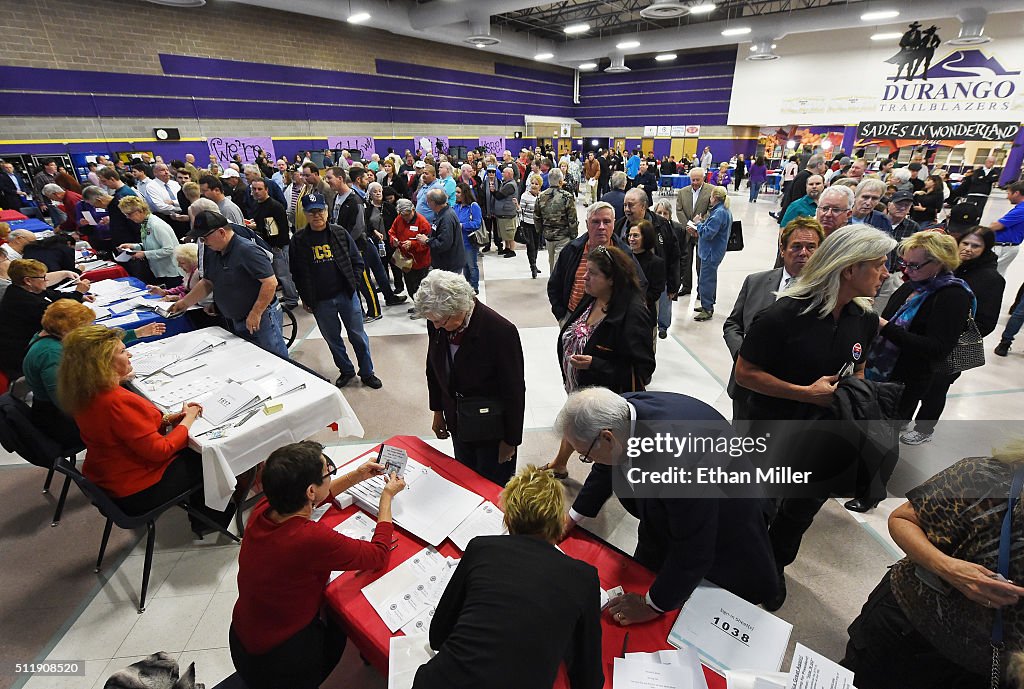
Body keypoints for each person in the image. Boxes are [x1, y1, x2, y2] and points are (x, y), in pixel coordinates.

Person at [734, 226, 896, 608]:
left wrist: (853, 398)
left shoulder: (864, 318)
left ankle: (775, 564)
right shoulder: (781, 316)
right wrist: (804, 394)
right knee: (759, 505)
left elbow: (857, 367)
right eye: (878, 265)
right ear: (848, 269)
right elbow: (746, 374)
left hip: (825, 437)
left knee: (802, 510)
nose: (886, 273)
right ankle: (746, 562)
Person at [559, 387, 779, 622]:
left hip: (726, 522)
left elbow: (694, 548)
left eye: (585, 455)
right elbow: (606, 465)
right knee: (647, 566)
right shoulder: (618, 412)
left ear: (607, 438)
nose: (588, 460)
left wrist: (652, 606)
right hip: (666, 512)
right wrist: (572, 517)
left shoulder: (679, 463)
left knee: (700, 604)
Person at [842, 443, 1024, 689]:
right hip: (908, 631)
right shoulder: (987, 477)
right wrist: (950, 569)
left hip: (991, 671)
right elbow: (903, 519)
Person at [229, 441, 404, 689]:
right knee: (342, 620)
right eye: (327, 474)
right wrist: (386, 498)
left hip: (245, 632)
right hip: (280, 658)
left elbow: (316, 499)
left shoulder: (265, 508)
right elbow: (378, 555)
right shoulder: (307, 538)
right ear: (310, 491)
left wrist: (358, 475)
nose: (331, 477)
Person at [413, 465, 602, 689]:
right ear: (559, 521)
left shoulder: (481, 548)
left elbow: (437, 636)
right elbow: (589, 680)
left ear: (508, 520)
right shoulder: (583, 577)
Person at [57, 325, 234, 537]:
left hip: (107, 477)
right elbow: (161, 450)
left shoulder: (84, 390)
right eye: (122, 351)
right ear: (102, 363)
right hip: (135, 490)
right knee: (209, 457)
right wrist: (188, 419)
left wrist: (169, 419)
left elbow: (127, 432)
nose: (129, 353)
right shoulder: (115, 401)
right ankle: (211, 519)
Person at [863, 232, 971, 474]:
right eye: (904, 263)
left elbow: (937, 348)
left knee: (885, 437)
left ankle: (871, 491)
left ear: (939, 262)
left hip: (908, 379)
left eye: (914, 265)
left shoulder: (952, 296)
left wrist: (884, 327)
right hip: (880, 373)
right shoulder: (915, 285)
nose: (907, 269)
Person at [544, 246, 656, 479]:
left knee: (604, 457)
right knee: (575, 420)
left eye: (592, 273)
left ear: (612, 279)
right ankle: (560, 462)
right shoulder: (593, 298)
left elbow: (643, 370)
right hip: (580, 387)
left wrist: (595, 364)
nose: (585, 277)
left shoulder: (633, 313)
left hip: (606, 399)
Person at [416, 271, 525, 485]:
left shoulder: (500, 331)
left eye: (441, 321)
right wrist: (438, 411)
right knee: (465, 477)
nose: (436, 326)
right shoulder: (438, 320)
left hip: (490, 427)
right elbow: (434, 367)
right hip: (458, 419)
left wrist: (511, 441)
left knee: (492, 485)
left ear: (460, 307)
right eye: (432, 321)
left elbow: (514, 391)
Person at [901, 227, 1001, 442]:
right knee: (915, 384)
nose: (968, 249)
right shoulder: (947, 268)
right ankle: (903, 420)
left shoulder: (991, 279)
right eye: (965, 243)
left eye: (976, 246)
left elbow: (987, 321)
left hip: (954, 345)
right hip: (926, 342)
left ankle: (924, 429)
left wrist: (952, 333)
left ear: (986, 248)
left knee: (936, 389)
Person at [23, 300, 164, 448]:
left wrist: (137, 333)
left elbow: (95, 344)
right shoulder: (51, 353)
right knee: (132, 415)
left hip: (56, 410)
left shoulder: (47, 336)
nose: (89, 329)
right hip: (60, 421)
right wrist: (114, 380)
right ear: (68, 331)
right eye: (85, 327)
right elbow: (69, 402)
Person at [724, 217, 824, 420]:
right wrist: (742, 353)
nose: (803, 253)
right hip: (747, 387)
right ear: (782, 250)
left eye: (811, 247)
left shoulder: (826, 293)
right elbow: (733, 324)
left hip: (793, 396)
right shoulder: (756, 281)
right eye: (796, 246)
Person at [290, 193, 381, 389]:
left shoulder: (339, 233)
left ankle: (367, 372)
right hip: (320, 301)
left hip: (346, 295)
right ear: (305, 214)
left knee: (358, 335)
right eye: (312, 212)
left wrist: (354, 284)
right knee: (333, 339)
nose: (317, 216)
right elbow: (296, 271)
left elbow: (357, 261)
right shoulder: (299, 240)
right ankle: (346, 371)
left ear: (327, 211)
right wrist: (305, 296)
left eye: (320, 211)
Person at [170, 211, 288, 359]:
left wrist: (256, 312)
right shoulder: (212, 251)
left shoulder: (247, 250)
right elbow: (208, 282)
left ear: (221, 232)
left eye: (204, 237)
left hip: (260, 317)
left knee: (274, 357)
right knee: (252, 358)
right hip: (236, 317)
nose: (203, 242)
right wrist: (185, 302)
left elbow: (270, 283)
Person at [0, 258, 89, 378]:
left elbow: (53, 295)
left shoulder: (22, 289)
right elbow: (62, 315)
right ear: (28, 281)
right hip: (24, 356)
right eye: (42, 277)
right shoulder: (25, 301)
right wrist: (78, 293)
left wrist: (79, 297)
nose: (46, 279)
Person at [247, 177, 299, 309]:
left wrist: (276, 247)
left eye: (260, 189)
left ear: (266, 190)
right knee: (279, 273)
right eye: (254, 189)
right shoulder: (257, 204)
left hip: (278, 246)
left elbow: (277, 230)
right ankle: (288, 296)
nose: (257, 192)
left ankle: (292, 299)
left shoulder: (274, 206)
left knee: (284, 274)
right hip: (269, 245)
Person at [116, 195, 182, 287]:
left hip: (172, 271)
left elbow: (169, 249)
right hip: (162, 270)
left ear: (140, 210)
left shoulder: (156, 225)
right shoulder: (145, 223)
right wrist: (133, 246)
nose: (128, 217)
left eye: (129, 214)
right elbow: (153, 244)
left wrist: (145, 254)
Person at [691, 185, 732, 322]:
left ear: (714, 197)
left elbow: (708, 233)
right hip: (714, 251)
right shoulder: (722, 210)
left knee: (706, 280)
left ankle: (707, 308)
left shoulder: (719, 213)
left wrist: (698, 224)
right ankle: (707, 304)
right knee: (709, 278)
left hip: (710, 252)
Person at [389, 198, 431, 312]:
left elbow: (427, 243)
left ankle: (424, 308)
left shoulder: (423, 223)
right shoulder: (399, 219)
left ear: (413, 210)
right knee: (410, 285)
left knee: (421, 286)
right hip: (405, 261)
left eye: (407, 215)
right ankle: (418, 306)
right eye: (403, 216)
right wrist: (394, 239)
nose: (405, 218)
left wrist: (412, 244)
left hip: (420, 261)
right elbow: (391, 232)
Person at [675, 167, 712, 297]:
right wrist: (688, 226)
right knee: (686, 260)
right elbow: (679, 210)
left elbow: (711, 210)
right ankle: (686, 286)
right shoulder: (682, 192)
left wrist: (699, 226)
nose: (695, 182)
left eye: (698, 180)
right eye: (693, 180)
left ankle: (700, 290)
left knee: (700, 263)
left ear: (703, 178)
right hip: (687, 232)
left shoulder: (711, 191)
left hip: (703, 232)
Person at [534, 168, 579, 272]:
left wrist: (541, 231)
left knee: (551, 261)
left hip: (548, 236)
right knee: (560, 264)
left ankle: (553, 283)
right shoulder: (567, 197)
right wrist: (574, 235)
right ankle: (556, 285)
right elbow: (572, 218)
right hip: (563, 236)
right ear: (560, 181)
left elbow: (536, 217)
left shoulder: (541, 196)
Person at [416, 188, 465, 274]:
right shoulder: (441, 213)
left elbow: (444, 244)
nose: (427, 204)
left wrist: (427, 241)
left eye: (428, 201)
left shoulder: (446, 218)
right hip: (444, 262)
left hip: (449, 265)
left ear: (433, 203)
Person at [627, 220, 665, 325]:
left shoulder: (656, 263)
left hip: (644, 315)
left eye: (635, 236)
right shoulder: (623, 258)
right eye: (629, 235)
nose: (631, 239)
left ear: (646, 237)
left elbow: (656, 291)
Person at [452, 183, 483, 292]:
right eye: (455, 192)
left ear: (465, 193)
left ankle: (474, 287)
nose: (456, 194)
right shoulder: (456, 207)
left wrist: (463, 225)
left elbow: (477, 223)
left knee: (472, 265)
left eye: (458, 192)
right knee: (464, 265)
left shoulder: (473, 206)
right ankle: (467, 286)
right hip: (459, 241)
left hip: (470, 241)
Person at [989, 181, 1024, 276]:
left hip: (1005, 247)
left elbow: (997, 226)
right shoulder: (1020, 208)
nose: (1007, 197)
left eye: (1008, 193)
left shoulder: (1021, 209)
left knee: (991, 275)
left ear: (1016, 193)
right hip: (1007, 246)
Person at [519, 173, 542, 278]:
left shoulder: (541, 196)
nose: (534, 185)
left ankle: (535, 263)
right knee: (531, 246)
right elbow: (521, 211)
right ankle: (532, 267)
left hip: (537, 225)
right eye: (532, 183)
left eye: (536, 184)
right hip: (527, 224)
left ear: (540, 186)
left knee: (536, 246)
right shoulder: (525, 196)